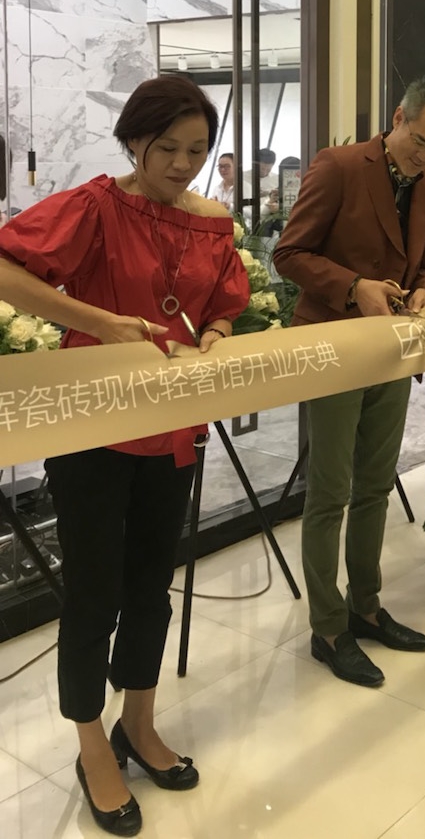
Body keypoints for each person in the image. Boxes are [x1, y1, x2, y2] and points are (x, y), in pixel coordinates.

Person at [0, 77, 249, 837]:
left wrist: (217, 332)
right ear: (133, 140)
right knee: (93, 593)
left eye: (197, 150)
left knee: (150, 586)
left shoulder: (211, 224)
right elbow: (6, 267)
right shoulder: (95, 207)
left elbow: (224, 301)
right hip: (93, 428)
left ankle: (138, 722)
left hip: (172, 426)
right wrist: (99, 320)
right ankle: (90, 744)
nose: (181, 164)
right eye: (166, 147)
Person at [273, 77, 425, 687]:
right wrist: (354, 286)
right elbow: (289, 253)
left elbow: (424, 264)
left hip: (392, 349)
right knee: (330, 490)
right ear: (397, 118)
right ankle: (329, 628)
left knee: (377, 485)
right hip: (333, 346)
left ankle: (367, 605)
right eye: (420, 142)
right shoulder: (338, 166)